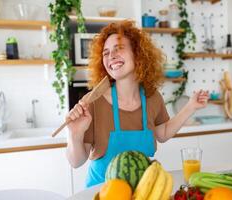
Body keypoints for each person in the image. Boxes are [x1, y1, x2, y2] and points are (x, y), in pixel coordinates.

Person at [66, 20, 209, 188]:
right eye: (106, 52)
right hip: (102, 192)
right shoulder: (93, 102)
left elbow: (162, 133)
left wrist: (190, 107)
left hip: (142, 189)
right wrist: (74, 135)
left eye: (118, 48)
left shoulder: (151, 96)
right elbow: (76, 162)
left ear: (137, 53)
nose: (111, 56)